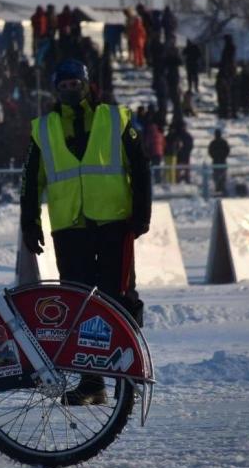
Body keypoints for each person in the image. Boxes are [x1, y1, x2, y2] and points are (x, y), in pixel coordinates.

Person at [19, 59, 152, 406]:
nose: (69, 90)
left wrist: (143, 212)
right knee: (78, 305)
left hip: (114, 224)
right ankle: (92, 383)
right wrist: (29, 221)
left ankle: (130, 372)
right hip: (70, 229)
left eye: (74, 83)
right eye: (62, 86)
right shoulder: (44, 128)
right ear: (54, 90)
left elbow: (141, 167)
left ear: (87, 84)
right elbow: (31, 181)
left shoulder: (114, 118)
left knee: (120, 299)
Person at [208, 128, 230, 196]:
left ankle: (221, 188)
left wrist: (220, 156)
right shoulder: (214, 143)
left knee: (221, 175)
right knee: (218, 175)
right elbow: (210, 151)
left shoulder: (221, 142)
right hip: (218, 161)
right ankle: (218, 188)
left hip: (220, 161)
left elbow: (227, 150)